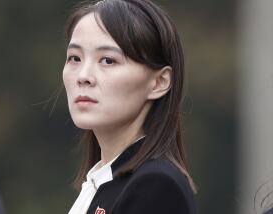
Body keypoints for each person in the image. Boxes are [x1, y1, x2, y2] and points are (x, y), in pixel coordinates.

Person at [62, 0, 197, 213]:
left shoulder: (156, 186)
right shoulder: (100, 183)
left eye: (107, 60)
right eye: (75, 58)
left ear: (159, 82)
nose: (83, 76)